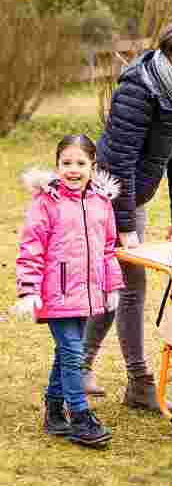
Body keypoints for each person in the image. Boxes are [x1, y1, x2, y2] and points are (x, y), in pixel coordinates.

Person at [81, 19, 172, 413]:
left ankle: (80, 367)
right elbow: (118, 162)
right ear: (167, 55)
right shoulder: (138, 88)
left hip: (132, 198)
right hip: (106, 199)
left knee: (118, 285)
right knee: (130, 285)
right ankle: (139, 383)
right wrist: (125, 228)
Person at [13, 134, 124, 446]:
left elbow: (107, 248)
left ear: (93, 166)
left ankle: (53, 408)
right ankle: (79, 415)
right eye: (66, 163)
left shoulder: (101, 203)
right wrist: (29, 289)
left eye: (80, 163)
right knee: (75, 352)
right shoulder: (46, 204)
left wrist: (111, 284)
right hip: (55, 293)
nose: (73, 170)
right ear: (57, 165)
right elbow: (31, 248)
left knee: (67, 351)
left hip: (86, 293)